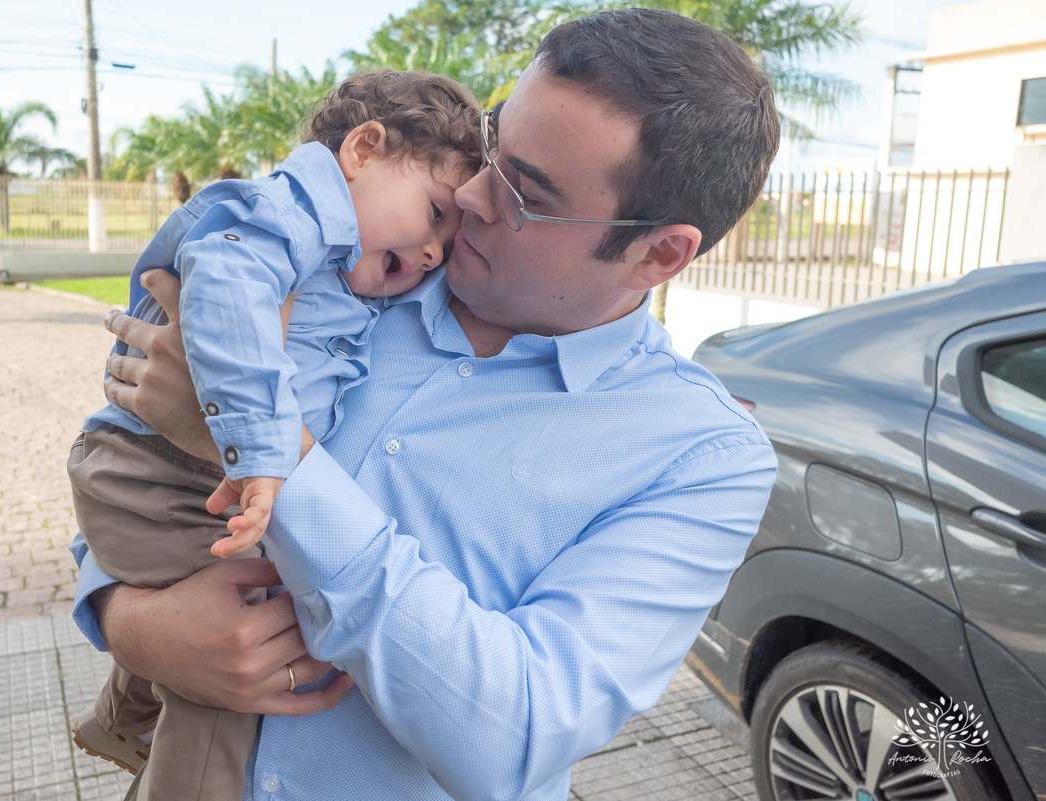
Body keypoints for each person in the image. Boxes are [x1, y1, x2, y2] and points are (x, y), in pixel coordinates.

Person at [71, 8, 782, 800]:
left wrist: (268, 450)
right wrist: (133, 622)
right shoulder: (357, 274)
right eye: (493, 148)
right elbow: (133, 477)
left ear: (660, 251)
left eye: (525, 191)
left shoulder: (701, 457)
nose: (474, 193)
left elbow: (513, 735)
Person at [66, 70, 481, 801]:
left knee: (191, 605)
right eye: (436, 214)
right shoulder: (285, 212)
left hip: (171, 474)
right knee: (232, 681)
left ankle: (118, 717)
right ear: (361, 149)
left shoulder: (344, 265)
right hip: (159, 472)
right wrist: (264, 449)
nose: (434, 254)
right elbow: (224, 283)